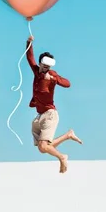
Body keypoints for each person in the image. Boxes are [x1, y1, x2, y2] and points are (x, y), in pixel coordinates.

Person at [26, 35, 82, 173]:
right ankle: (68, 135)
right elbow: (30, 58)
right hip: (40, 114)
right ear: (40, 64)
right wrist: (29, 43)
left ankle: (62, 157)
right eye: (44, 66)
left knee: (44, 147)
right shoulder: (37, 71)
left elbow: (68, 84)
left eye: (48, 67)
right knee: (42, 148)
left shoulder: (52, 75)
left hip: (50, 114)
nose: (45, 69)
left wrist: (54, 79)